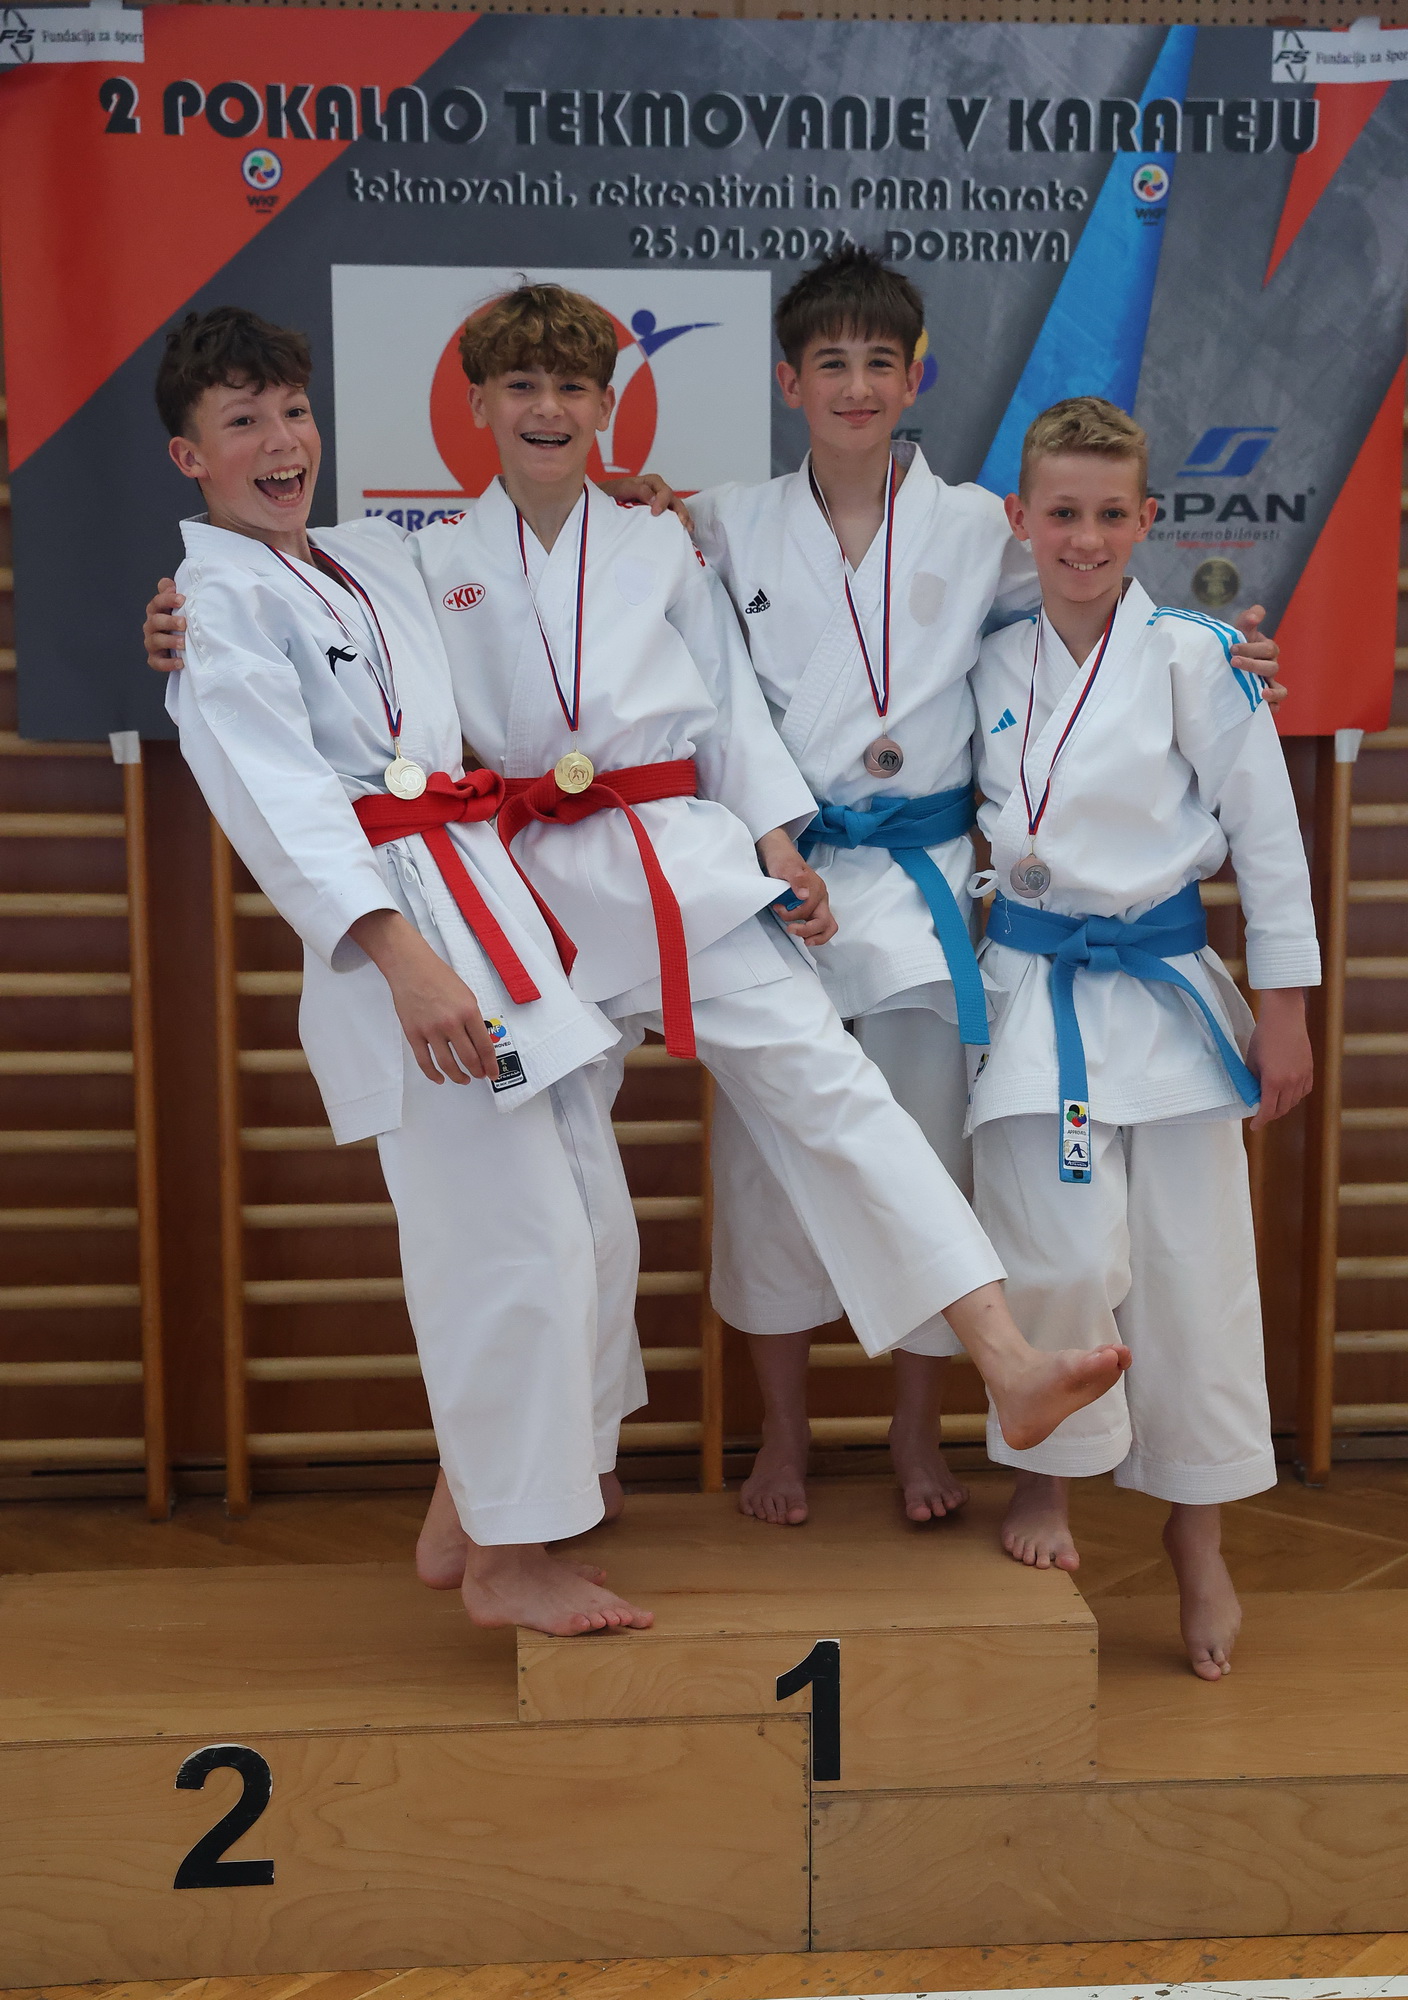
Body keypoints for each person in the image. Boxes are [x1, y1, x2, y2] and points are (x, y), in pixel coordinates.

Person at [145, 287, 1133, 1497]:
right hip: (516, 890)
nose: (548, 409)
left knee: (832, 1088)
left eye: (573, 388)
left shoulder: (662, 540)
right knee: (569, 1185)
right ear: (476, 406)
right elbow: (270, 586)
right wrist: (177, 617)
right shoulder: (411, 556)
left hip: (672, 855)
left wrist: (775, 842)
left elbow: (726, 707)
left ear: (609, 407)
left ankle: (1004, 1354)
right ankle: (580, 1461)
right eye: (521, 387)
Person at [684, 247, 1283, 1528]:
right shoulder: (726, 522)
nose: (855, 385)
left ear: (916, 378)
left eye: (879, 362)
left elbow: (1099, 594)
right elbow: (641, 589)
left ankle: (914, 1430)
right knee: (764, 1170)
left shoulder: (972, 524)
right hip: (780, 884)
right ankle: (783, 1430)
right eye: (830, 363)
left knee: (923, 1168)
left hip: (921, 900)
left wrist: (1215, 643)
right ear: (789, 382)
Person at [151, 305, 653, 1639]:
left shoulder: (373, 554)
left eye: (292, 412)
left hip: (491, 910)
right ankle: (507, 1559)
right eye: (242, 422)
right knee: (509, 1243)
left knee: (594, 1220)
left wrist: (641, 501)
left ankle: (468, 1509)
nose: (281, 442)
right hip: (405, 941)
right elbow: (280, 806)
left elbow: (519, 538)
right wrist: (402, 962)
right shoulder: (216, 607)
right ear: (188, 457)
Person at [968, 395, 1318, 1680]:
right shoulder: (986, 655)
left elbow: (1266, 834)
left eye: (1110, 514)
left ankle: (1197, 1535)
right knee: (1054, 1251)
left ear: (1147, 519)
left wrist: (1284, 1007)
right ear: (1020, 519)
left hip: (1167, 995)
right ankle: (1049, 1475)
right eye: (1061, 513)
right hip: (1034, 991)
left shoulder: (1193, 657)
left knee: (1191, 1269)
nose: (1085, 537)